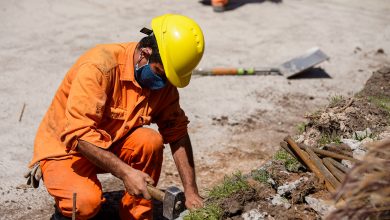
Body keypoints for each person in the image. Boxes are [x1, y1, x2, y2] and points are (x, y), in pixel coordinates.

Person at [25, 14, 205, 220]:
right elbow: (79, 135)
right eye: (160, 73)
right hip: (66, 150)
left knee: (149, 141)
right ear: (145, 54)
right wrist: (126, 172)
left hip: (110, 143)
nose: (163, 83)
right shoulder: (100, 67)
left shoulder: (163, 82)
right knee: (84, 203)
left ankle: (136, 215)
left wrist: (191, 191)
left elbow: (177, 132)